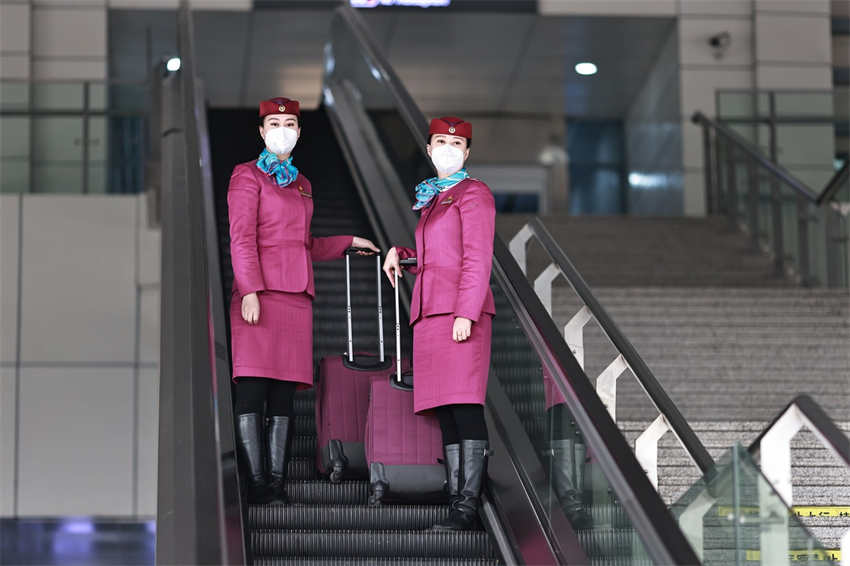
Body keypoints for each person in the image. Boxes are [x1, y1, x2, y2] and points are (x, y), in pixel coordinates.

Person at [228, 97, 378, 504]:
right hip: (260, 296)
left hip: (296, 300)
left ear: (299, 130)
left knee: (283, 396)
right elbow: (241, 239)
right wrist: (250, 291)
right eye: (273, 123)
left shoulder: (302, 184)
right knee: (253, 392)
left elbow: (303, 244)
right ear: (261, 131)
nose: (282, 129)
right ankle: (256, 483)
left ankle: (275, 484)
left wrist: (348, 241)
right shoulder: (246, 177)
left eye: (289, 122)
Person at [383, 116, 496, 530]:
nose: (448, 149)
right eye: (440, 142)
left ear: (466, 153)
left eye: (456, 143)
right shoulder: (434, 200)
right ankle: (456, 500)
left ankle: (467, 505)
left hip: (458, 316)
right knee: (446, 411)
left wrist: (466, 312)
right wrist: (401, 252)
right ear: (429, 151)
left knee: (465, 408)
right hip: (430, 316)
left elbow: (477, 257)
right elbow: (438, 254)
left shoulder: (474, 193)